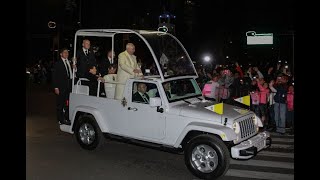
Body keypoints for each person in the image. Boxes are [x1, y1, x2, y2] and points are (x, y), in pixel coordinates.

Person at [52, 48, 73, 125]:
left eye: (67, 52)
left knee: (67, 103)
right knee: (60, 104)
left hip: (68, 86)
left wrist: (74, 68)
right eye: (65, 52)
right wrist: (56, 87)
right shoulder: (58, 63)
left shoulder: (69, 62)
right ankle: (60, 119)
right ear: (61, 54)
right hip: (61, 87)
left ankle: (66, 118)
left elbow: (71, 74)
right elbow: (54, 76)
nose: (66, 54)